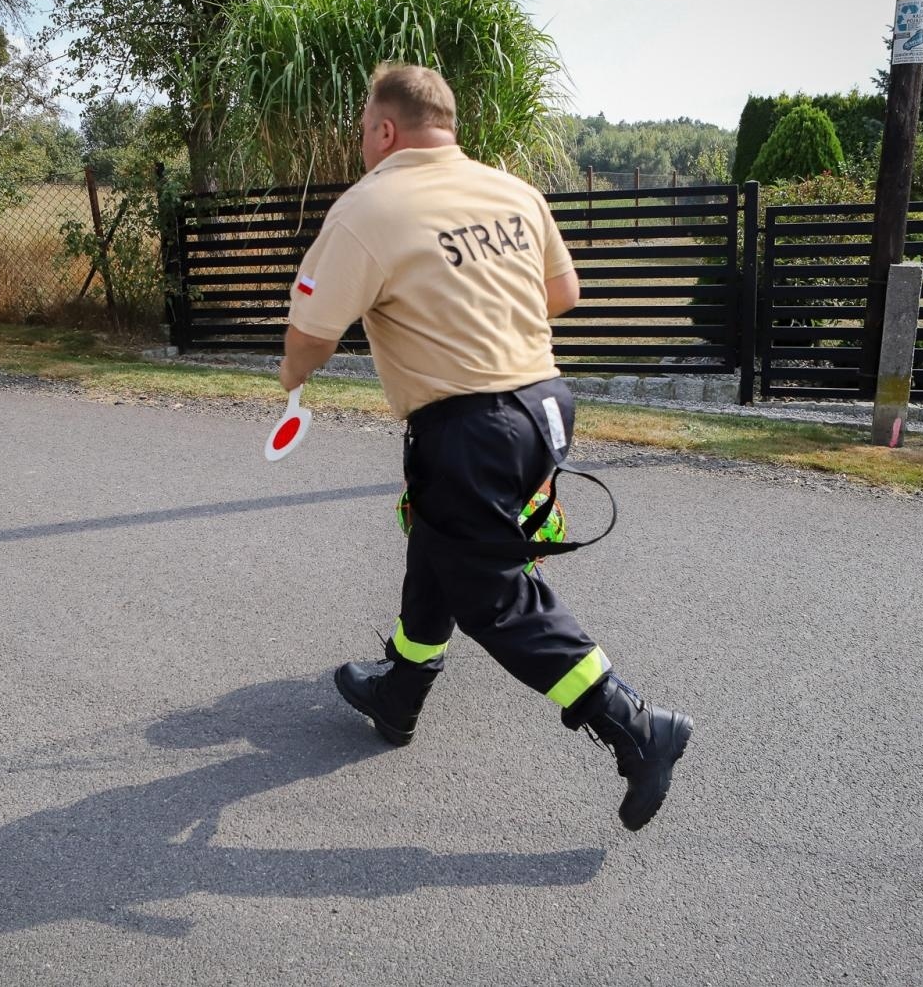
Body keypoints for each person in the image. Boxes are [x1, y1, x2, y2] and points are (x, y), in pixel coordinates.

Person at [279, 62, 693, 832]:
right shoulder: (512, 191)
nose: (363, 144)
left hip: (470, 427)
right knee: (442, 545)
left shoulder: (368, 206)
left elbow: (312, 335)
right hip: (545, 407)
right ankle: (400, 692)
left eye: (364, 131)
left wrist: (290, 379)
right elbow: (563, 294)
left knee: (492, 595)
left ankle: (636, 726)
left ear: (385, 130)